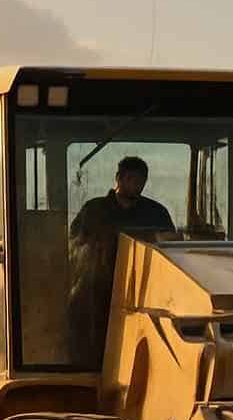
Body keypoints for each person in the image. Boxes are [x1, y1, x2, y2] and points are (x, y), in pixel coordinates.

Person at [66, 156, 175, 365]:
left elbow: (170, 245)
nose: (136, 185)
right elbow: (73, 244)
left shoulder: (156, 213)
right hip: (98, 290)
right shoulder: (93, 210)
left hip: (144, 291)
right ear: (118, 179)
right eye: (131, 179)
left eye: (141, 180)